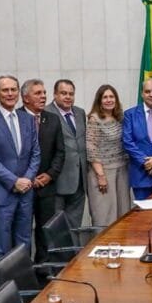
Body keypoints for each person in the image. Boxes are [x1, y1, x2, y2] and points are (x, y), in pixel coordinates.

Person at [0, 75, 40, 260]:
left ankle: (24, 287)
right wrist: (14, 181)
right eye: (5, 90)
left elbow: (36, 153)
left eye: (13, 89)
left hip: (26, 192)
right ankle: (4, 288)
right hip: (1, 193)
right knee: (1, 247)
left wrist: (27, 179)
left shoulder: (27, 120)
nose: (10, 93)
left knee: (24, 243)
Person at [17, 79, 64, 263]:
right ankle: (24, 268)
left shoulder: (52, 119)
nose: (43, 96)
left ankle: (44, 267)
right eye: (38, 93)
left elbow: (60, 152)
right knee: (23, 230)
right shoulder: (17, 117)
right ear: (25, 97)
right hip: (22, 186)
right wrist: (28, 178)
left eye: (44, 93)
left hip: (46, 186)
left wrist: (50, 175)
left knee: (45, 230)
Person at [44, 79, 87, 229]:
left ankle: (74, 253)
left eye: (71, 94)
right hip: (57, 179)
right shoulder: (46, 113)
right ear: (55, 94)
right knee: (57, 226)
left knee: (75, 224)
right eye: (63, 93)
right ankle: (60, 254)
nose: (68, 97)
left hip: (80, 180)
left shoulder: (80, 112)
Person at [86, 84, 131, 226]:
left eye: (112, 96)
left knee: (122, 213)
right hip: (103, 172)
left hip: (122, 170)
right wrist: (101, 176)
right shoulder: (94, 119)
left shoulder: (120, 117)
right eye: (105, 97)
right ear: (99, 101)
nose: (109, 100)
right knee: (105, 216)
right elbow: (91, 147)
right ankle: (103, 247)